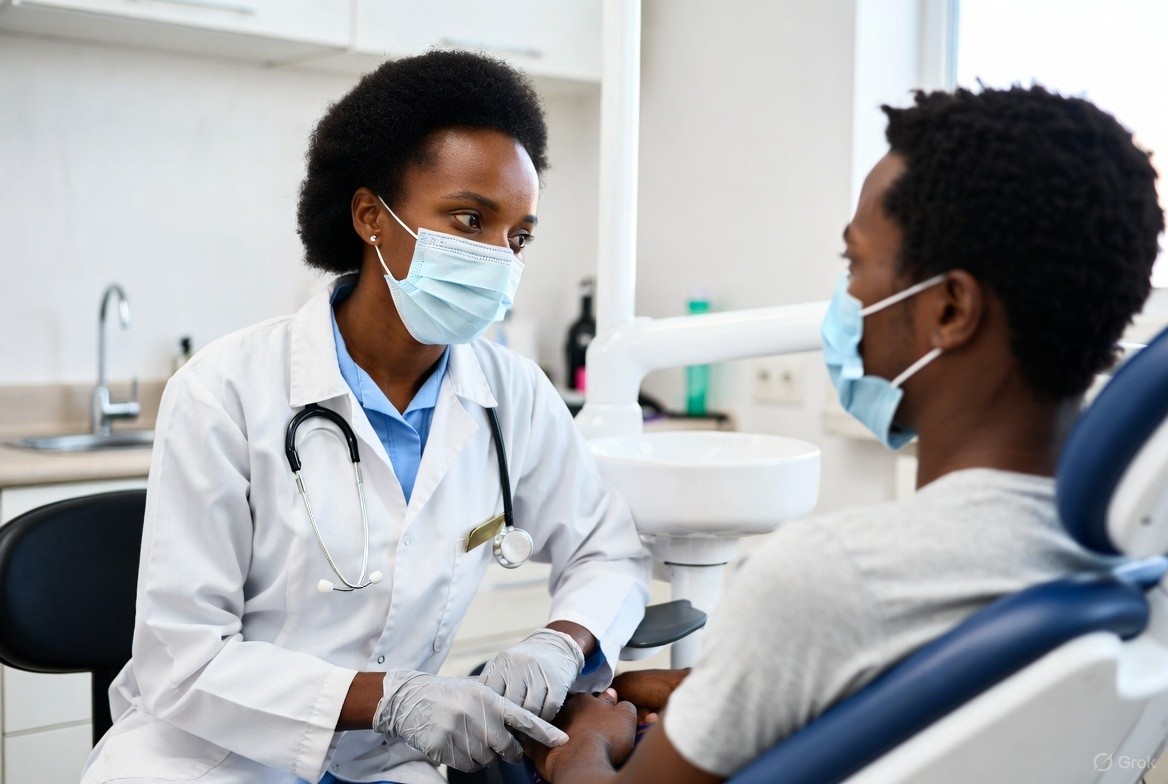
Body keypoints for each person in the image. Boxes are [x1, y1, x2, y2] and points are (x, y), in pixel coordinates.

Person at [524, 84, 1165, 784]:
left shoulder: (834, 578)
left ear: (950, 309)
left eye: (855, 263)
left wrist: (584, 743)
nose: (846, 299)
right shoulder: (1129, 571)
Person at [80, 50, 650, 784]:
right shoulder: (224, 390)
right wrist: (386, 697)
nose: (499, 258)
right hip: (209, 756)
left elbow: (610, 551)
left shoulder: (512, 394)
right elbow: (182, 662)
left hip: (391, 764)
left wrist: (561, 643)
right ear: (371, 217)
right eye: (469, 218)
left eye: (518, 235)